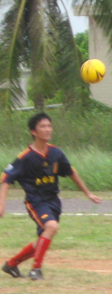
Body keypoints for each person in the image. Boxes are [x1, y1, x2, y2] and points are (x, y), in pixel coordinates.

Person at [0, 113, 101, 280]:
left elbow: (71, 172)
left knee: (44, 238)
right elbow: (6, 179)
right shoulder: (25, 157)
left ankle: (11, 264)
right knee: (52, 227)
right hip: (35, 202)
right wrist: (2, 205)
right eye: (43, 126)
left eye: (49, 126)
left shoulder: (56, 153)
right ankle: (36, 269)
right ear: (33, 131)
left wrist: (87, 193)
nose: (48, 129)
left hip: (53, 201)